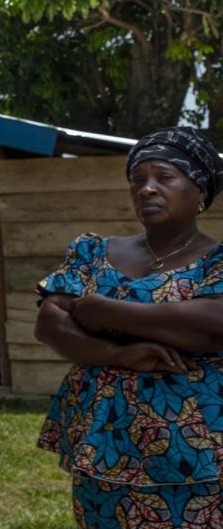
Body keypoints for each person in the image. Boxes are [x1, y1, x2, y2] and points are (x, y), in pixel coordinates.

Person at [33, 127, 223, 528]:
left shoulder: (216, 263)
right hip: (102, 442)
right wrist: (118, 354)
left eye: (164, 177)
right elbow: (50, 323)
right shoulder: (93, 250)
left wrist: (103, 311)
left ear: (200, 191)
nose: (147, 189)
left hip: (196, 451)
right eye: (138, 179)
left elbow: (211, 327)